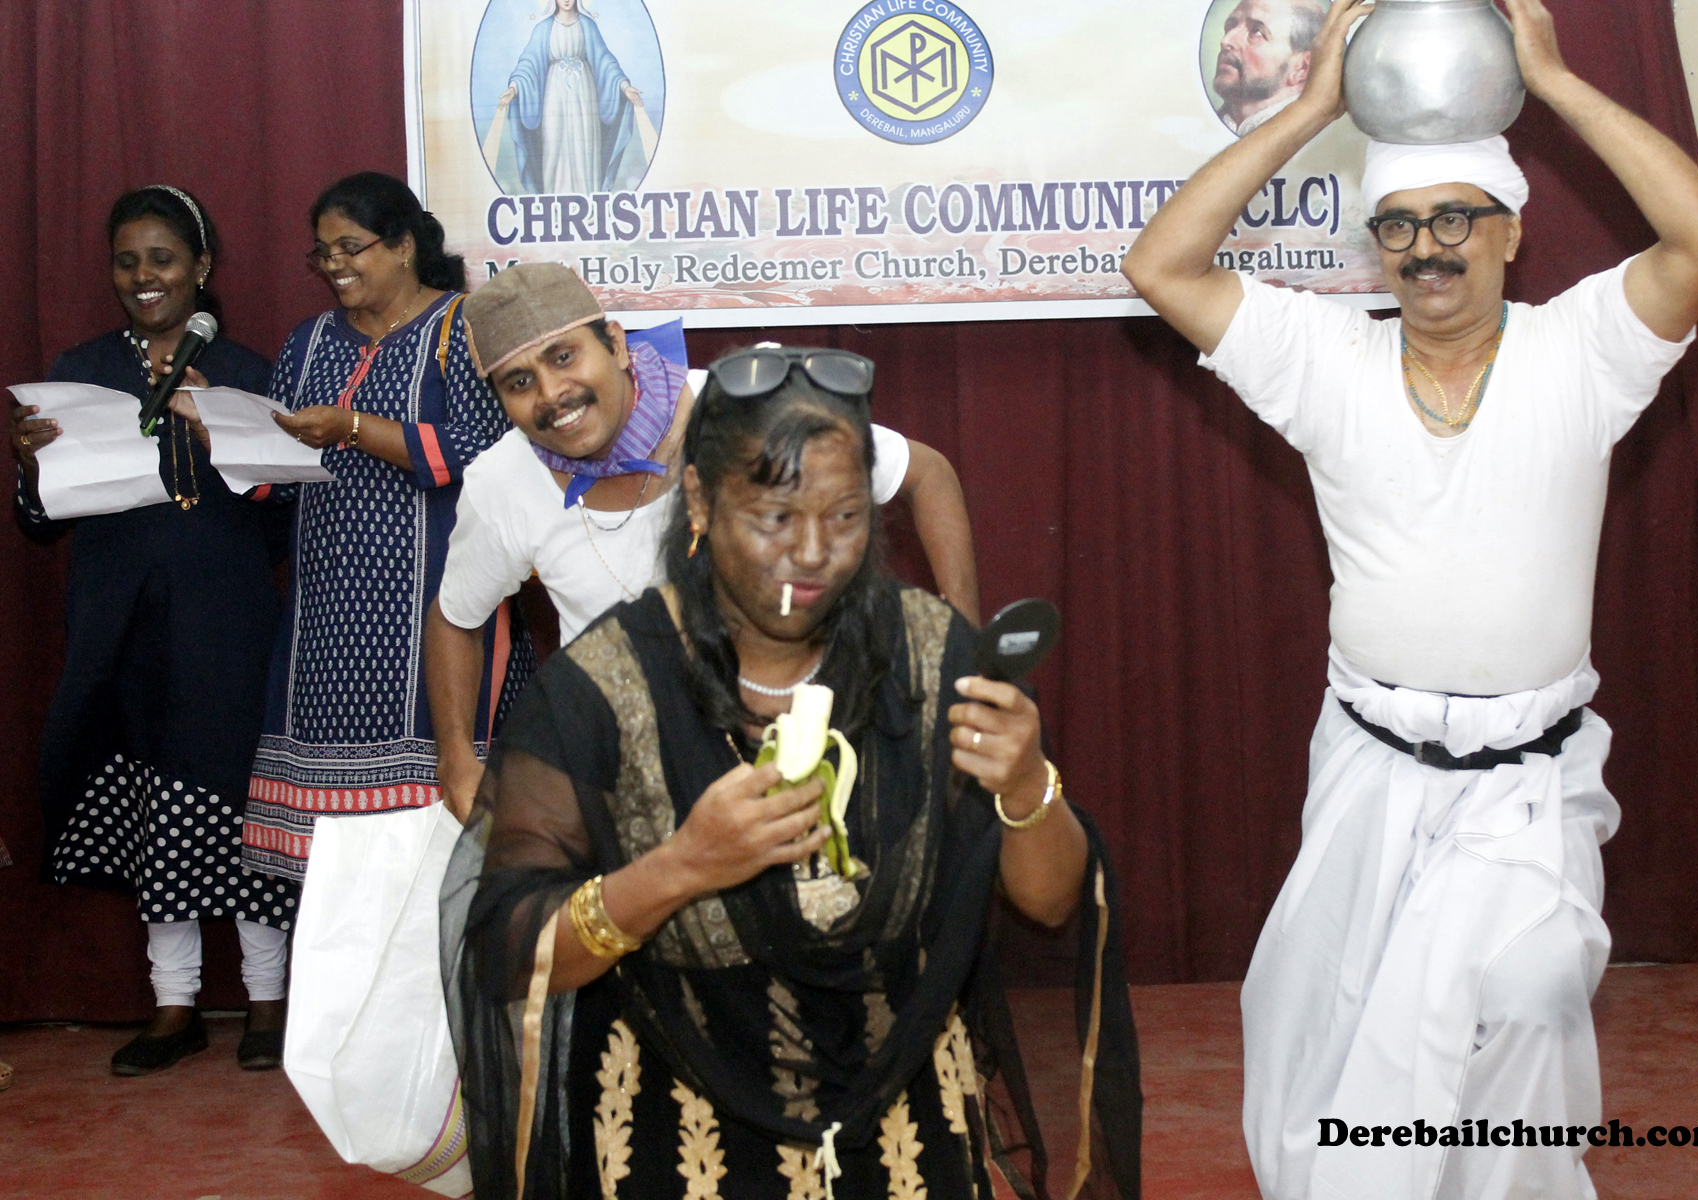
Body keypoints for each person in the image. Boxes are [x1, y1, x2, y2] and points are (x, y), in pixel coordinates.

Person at [1124, 0, 1698, 1195]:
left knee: (1530, 997)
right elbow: (1162, 265)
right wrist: (1312, 109)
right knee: (1333, 1046)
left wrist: (1553, 83)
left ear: (1512, 229)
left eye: (1456, 217)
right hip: (1372, 768)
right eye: (1399, 225)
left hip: (1528, 784)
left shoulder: (1582, 352)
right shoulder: (1326, 362)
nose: (1427, 248)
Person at [442, 345, 1140, 1199]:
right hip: (679, 1139)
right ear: (700, 500)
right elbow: (511, 952)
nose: (811, 552)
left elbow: (1051, 904)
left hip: (907, 1131)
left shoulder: (929, 659)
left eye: (844, 516)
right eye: (773, 517)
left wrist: (1026, 784)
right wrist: (680, 868)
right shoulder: (606, 687)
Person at [426, 262, 984, 820]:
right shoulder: (501, 482)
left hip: (802, 756)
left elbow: (927, 475)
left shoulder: (741, 410)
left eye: (564, 356)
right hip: (632, 784)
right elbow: (454, 619)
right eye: (519, 383)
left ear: (615, 344)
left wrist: (964, 655)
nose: (552, 393)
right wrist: (455, 758)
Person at [10, 186, 296, 1074]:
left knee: (243, 805)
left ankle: (267, 1000)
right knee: (155, 810)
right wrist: (29, 467)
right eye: (127, 261)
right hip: (122, 625)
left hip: (227, 619)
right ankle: (174, 1007)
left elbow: (287, 518)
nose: (144, 276)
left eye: (163, 258)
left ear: (200, 267)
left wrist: (227, 440)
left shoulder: (246, 371)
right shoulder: (81, 369)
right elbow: (39, 523)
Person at [245, 173, 534, 890]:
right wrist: (222, 433)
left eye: (351, 247)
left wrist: (354, 428)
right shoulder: (308, 342)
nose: (334, 265)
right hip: (326, 628)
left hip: (438, 613)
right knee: (339, 883)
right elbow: (277, 478)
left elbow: (489, 454)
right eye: (323, 253)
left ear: (403, 246)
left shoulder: (461, 328)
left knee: (440, 862)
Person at [499, 0, 644, 194]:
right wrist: (514, 87)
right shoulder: (543, 28)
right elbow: (528, 63)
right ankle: (553, 196)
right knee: (553, 143)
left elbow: (605, 60)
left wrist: (624, 87)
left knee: (584, 144)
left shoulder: (588, 25)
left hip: (585, 94)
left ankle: (587, 195)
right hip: (554, 95)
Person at [1210, 0, 1326, 137]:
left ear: (1302, 68)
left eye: (1257, 31)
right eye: (1231, 26)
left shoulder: (1313, 138)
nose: (1226, 40)